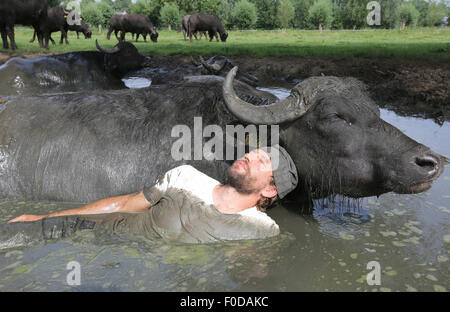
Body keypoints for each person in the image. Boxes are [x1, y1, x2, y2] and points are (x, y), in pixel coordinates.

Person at [8, 145, 298, 243]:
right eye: (252, 152)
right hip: (101, 241)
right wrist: (44, 217)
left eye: (262, 161)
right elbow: (122, 204)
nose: (249, 156)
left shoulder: (263, 231)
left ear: (270, 189)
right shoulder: (185, 176)